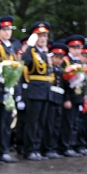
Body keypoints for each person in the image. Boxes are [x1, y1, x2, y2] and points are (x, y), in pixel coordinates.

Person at [19, 22, 53, 161]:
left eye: (45, 35)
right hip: (34, 89)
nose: (43, 38)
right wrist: (30, 46)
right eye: (40, 35)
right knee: (32, 122)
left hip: (44, 90)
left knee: (41, 121)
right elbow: (25, 62)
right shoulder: (31, 51)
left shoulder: (43, 53)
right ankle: (29, 149)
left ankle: (37, 148)